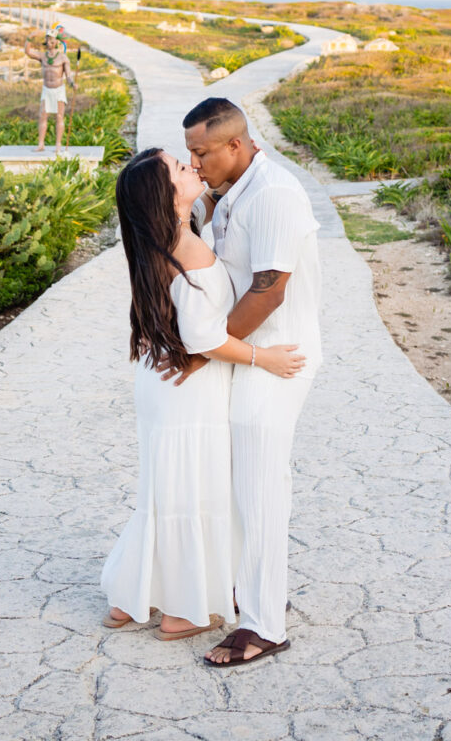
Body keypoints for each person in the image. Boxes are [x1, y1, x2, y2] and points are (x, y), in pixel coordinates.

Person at [101, 147, 305, 643]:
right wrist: (265, 358)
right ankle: (183, 612)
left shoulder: (160, 238)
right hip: (189, 389)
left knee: (164, 491)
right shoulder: (185, 247)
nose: (190, 166)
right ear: (165, 196)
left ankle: (134, 595)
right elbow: (203, 338)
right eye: (178, 167)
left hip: (163, 384)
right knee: (194, 492)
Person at [170, 98, 322, 668]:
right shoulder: (233, 190)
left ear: (235, 145)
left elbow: (269, 289)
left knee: (259, 489)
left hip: (278, 356)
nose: (195, 161)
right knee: (238, 485)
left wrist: (208, 353)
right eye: (189, 152)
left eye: (202, 152)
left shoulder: (275, 194)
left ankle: (264, 627)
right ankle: (252, 592)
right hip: (246, 354)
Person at [23, 24, 75, 152]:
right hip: (47, 89)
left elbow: (68, 75)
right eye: (48, 40)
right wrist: (30, 38)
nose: (50, 43)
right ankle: (41, 144)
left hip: (58, 89)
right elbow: (28, 52)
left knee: (59, 116)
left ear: (57, 42)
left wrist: (72, 83)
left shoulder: (63, 58)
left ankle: (58, 145)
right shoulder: (43, 56)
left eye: (52, 40)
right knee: (43, 115)